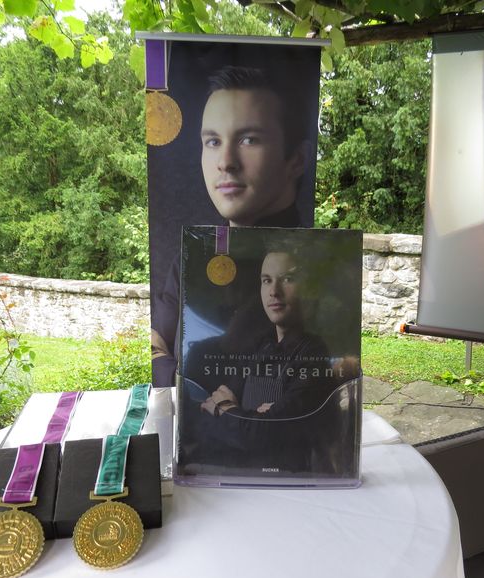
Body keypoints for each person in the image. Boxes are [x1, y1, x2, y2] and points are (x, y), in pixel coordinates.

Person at [151, 65, 313, 386]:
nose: (225, 162)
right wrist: (182, 382)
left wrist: (179, 377)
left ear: (296, 159)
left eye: (249, 139)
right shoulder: (192, 255)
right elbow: (156, 339)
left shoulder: (309, 262)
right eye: (213, 141)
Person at [180, 241, 352, 476]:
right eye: (266, 280)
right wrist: (250, 419)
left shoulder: (313, 354)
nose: (274, 291)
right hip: (239, 473)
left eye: (288, 279)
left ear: (308, 290)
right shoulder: (261, 346)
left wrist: (229, 410)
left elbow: (261, 434)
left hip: (293, 480)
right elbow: (207, 417)